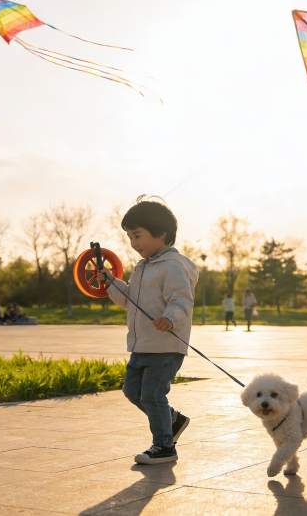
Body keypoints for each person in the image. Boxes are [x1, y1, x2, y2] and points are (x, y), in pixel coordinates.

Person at [100, 199, 198, 465]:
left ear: (161, 234)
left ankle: (164, 447)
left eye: (137, 235)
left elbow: (181, 301)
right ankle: (173, 419)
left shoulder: (174, 266)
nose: (133, 243)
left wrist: (170, 318)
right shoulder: (142, 267)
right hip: (142, 344)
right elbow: (129, 299)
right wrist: (110, 282)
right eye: (130, 237)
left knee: (153, 395)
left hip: (165, 345)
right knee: (132, 391)